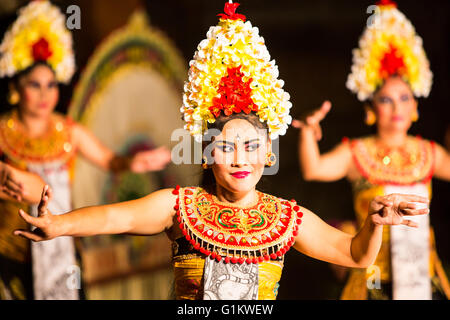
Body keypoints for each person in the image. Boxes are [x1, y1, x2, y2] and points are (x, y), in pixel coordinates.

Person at [14, 1, 430, 301]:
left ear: (268, 152)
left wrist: (375, 223)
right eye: (226, 147)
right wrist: (58, 226)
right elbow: (113, 216)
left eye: (251, 146)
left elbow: (354, 255)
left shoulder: (287, 218)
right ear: (207, 154)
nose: (239, 158)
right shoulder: (180, 207)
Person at [0, 1, 171, 300]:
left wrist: (134, 162)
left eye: (51, 85)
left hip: (59, 248)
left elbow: (109, 160)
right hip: (9, 251)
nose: (44, 94)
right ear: (16, 88)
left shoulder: (69, 131)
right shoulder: (2, 131)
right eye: (35, 85)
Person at [293, 0, 450, 299]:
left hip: (422, 276)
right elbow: (313, 170)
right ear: (371, 108)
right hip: (371, 279)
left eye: (404, 98)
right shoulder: (356, 152)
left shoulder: (429, 153)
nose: (397, 108)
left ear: (416, 105)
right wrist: (308, 136)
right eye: (386, 100)